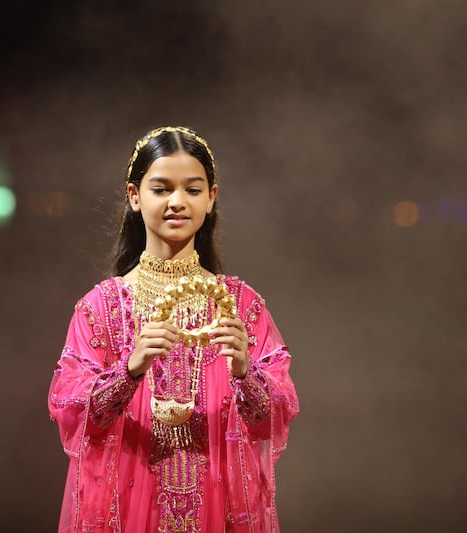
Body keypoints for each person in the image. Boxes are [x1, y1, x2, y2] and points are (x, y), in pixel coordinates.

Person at [48, 126, 299, 533]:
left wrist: (243, 372)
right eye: (162, 189)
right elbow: (73, 413)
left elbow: (276, 414)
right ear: (134, 196)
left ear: (211, 198)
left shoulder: (240, 305)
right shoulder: (102, 306)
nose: (178, 202)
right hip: (129, 501)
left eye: (193, 190)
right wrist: (129, 371)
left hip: (218, 503)